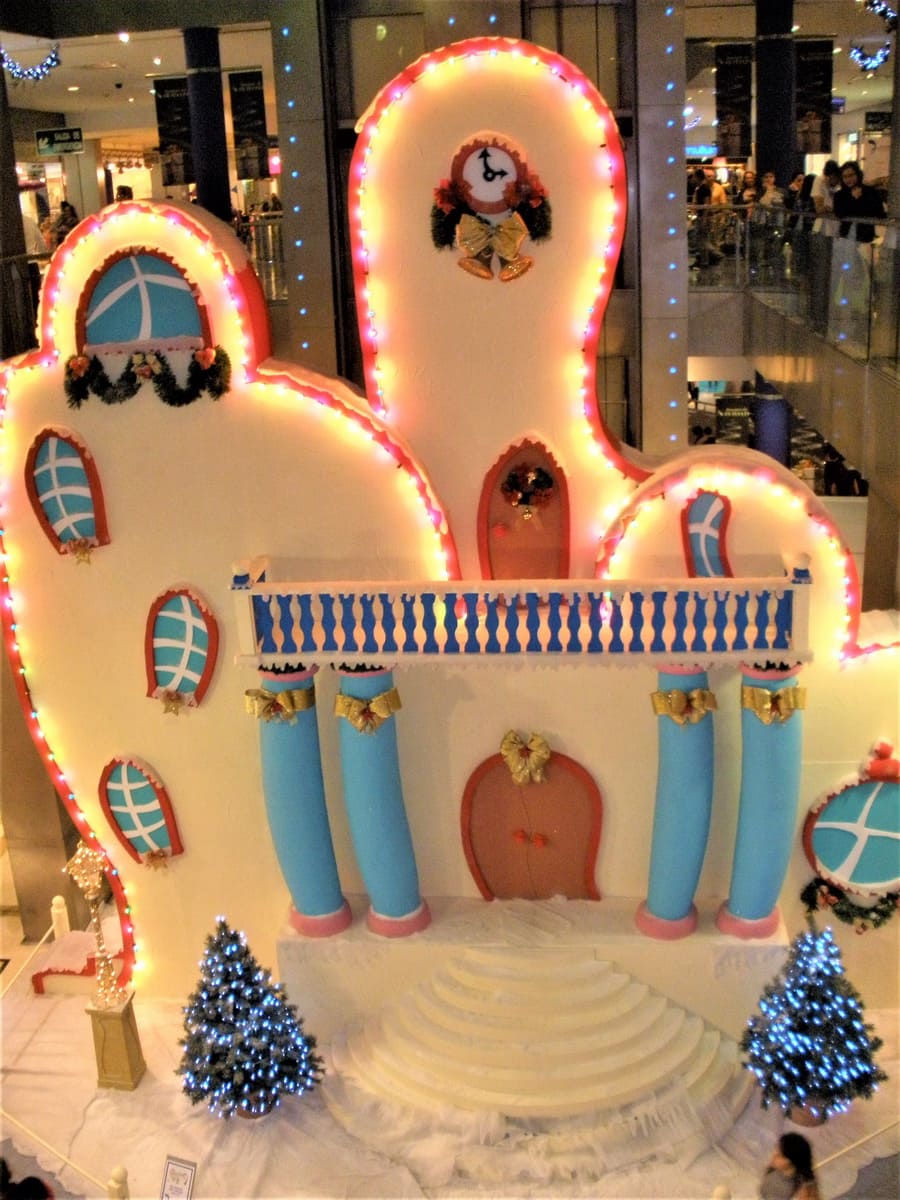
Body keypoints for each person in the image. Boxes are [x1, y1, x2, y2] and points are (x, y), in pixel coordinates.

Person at [833, 161, 886, 243]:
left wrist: (860, 201)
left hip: (865, 237)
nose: (848, 179)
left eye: (851, 175)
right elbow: (839, 213)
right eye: (845, 177)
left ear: (858, 174)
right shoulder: (839, 195)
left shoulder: (870, 191)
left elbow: (879, 212)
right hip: (845, 236)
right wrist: (854, 199)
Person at [759, 1132, 820, 1199]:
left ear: (791, 1161)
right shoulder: (774, 1169)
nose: (773, 1156)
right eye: (775, 1151)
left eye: (779, 1155)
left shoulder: (802, 1189)